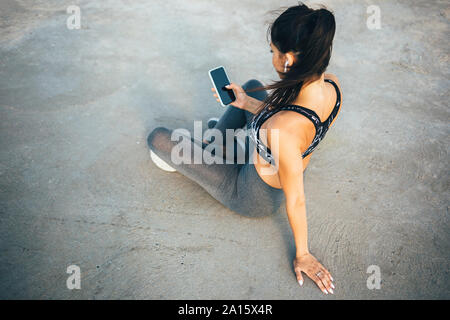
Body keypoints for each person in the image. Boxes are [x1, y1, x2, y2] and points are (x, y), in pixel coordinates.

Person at [147, 2, 343, 295]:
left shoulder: (281, 128)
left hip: (251, 194)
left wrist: (303, 253)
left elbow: (297, 198)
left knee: (159, 139)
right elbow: (289, 118)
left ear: (289, 59)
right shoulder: (332, 86)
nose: (272, 57)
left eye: (274, 52)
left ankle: (207, 151)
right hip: (273, 152)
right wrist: (246, 103)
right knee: (250, 86)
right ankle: (215, 144)